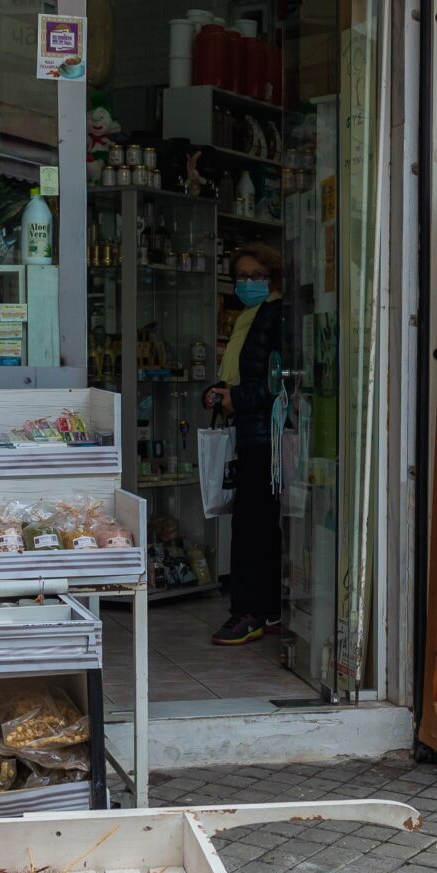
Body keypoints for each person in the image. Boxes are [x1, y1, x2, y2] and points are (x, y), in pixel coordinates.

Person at [203, 245, 288, 646]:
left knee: (251, 526)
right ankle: (268, 609)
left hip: (265, 434)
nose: (247, 283)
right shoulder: (247, 319)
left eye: (256, 275)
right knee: (261, 525)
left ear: (272, 278)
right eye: (241, 276)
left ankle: (246, 613)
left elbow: (279, 380)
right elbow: (243, 373)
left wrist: (238, 398)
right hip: (250, 432)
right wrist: (220, 393)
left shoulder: (275, 315)